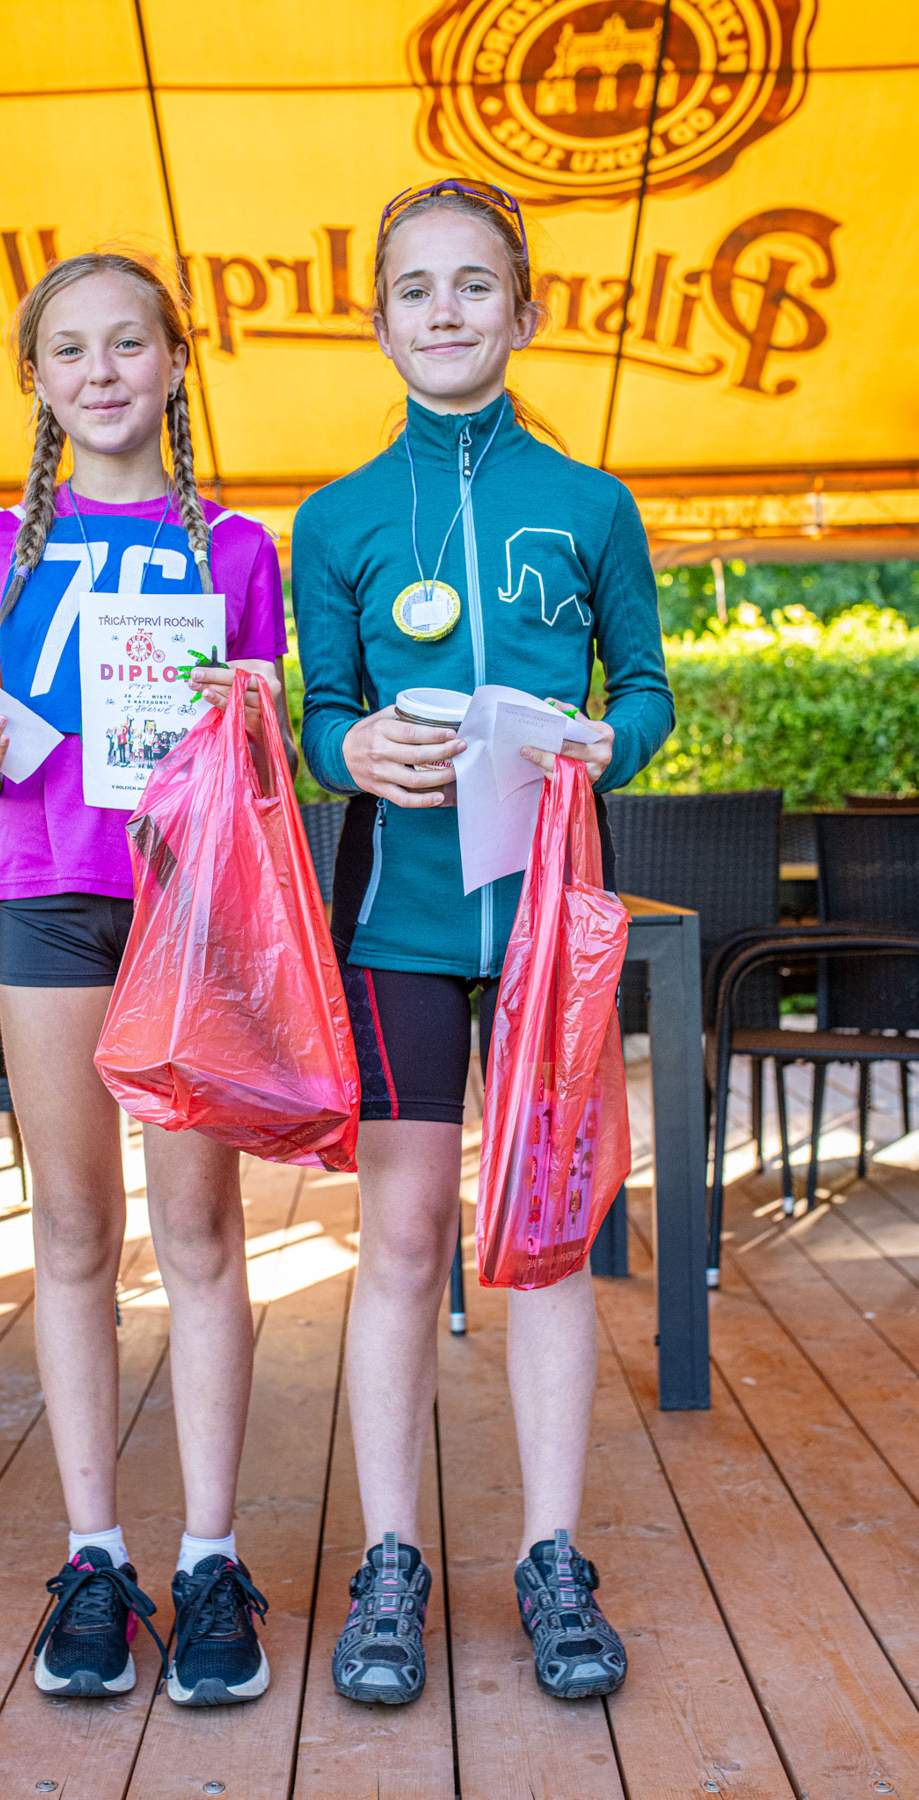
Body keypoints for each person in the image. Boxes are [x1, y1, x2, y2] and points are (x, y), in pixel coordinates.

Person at [291, 180, 673, 1706]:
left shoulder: (593, 505)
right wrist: (347, 747)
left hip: (550, 927)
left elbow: (647, 688)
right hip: (397, 923)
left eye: (472, 285)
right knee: (400, 1240)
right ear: (377, 319)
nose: (444, 310)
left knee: (550, 1241)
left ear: (527, 310)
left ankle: (552, 1556)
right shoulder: (333, 519)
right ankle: (392, 1560)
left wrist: (608, 739)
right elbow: (321, 712)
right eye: (415, 288)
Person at [0, 250, 295, 1707]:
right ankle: (94, 1560)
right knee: (74, 1229)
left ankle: (210, 1561)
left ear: (175, 361)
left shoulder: (241, 550)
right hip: (51, 905)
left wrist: (253, 722)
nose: (101, 372)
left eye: (127, 343)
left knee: (198, 1231)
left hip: (193, 908)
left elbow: (271, 756)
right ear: (38, 381)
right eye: (69, 350)